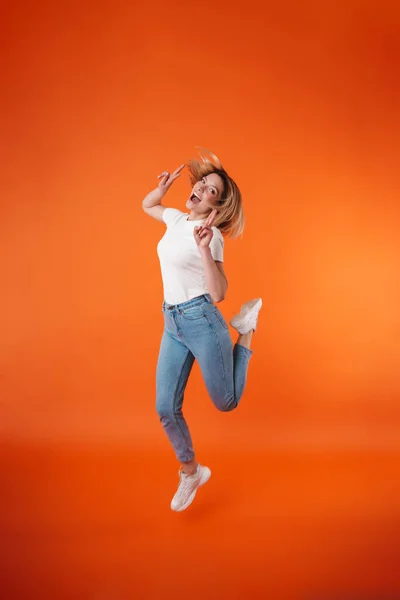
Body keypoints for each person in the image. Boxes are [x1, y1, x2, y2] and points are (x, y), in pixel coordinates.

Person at [142, 150, 262, 512]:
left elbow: (220, 293)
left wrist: (205, 248)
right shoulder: (177, 219)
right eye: (202, 183)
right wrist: (161, 189)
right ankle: (191, 471)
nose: (200, 187)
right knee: (165, 407)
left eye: (210, 190)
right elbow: (148, 206)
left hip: (202, 321)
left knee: (226, 402)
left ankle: (246, 330)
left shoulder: (210, 236)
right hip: (172, 322)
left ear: (216, 205)